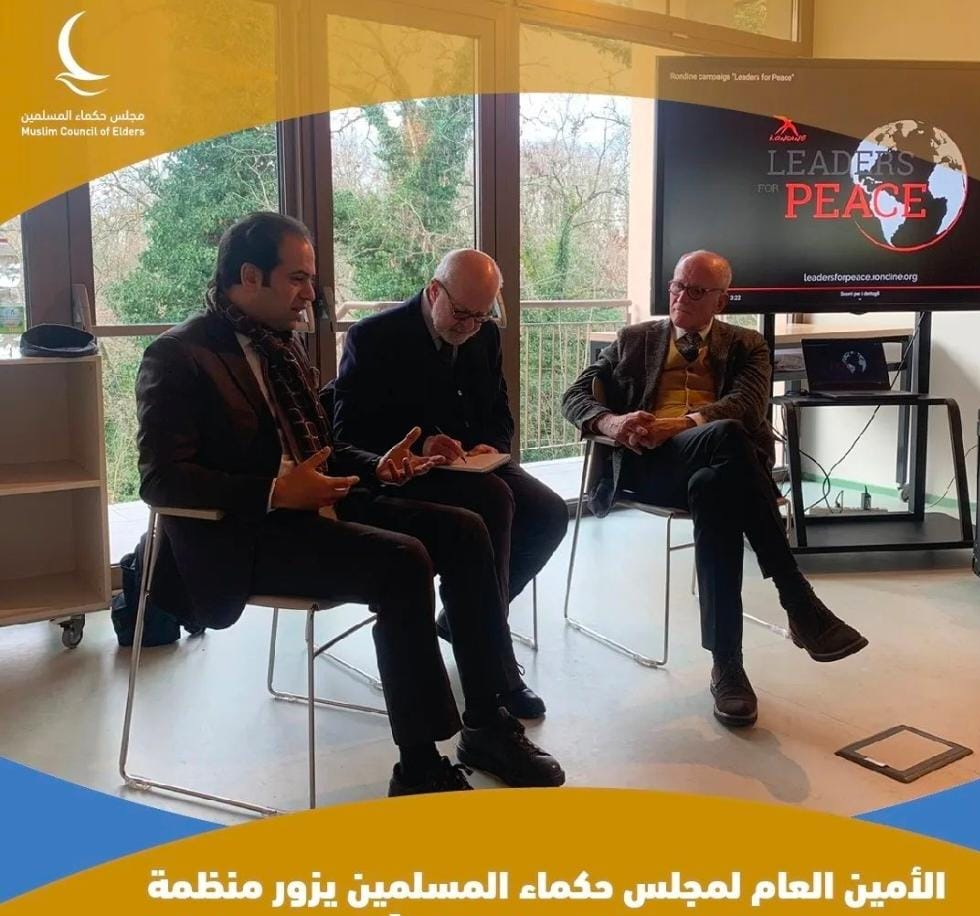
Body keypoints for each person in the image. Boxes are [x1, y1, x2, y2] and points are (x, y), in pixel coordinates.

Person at [136, 212, 564, 796]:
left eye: (310, 279)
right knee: (404, 562)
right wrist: (275, 491)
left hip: (325, 501)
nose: (311, 294)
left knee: (466, 529)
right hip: (250, 532)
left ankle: (488, 722)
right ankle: (418, 767)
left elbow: (324, 447)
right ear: (249, 276)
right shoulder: (179, 354)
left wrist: (378, 464)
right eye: (298, 279)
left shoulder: (281, 346)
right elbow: (161, 481)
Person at [561, 250, 867, 728]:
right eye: (677, 286)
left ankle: (728, 667)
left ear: (721, 301)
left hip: (717, 466)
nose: (681, 297)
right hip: (651, 467)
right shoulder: (634, 339)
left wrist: (683, 423)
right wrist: (612, 422)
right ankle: (798, 602)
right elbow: (574, 396)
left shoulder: (747, 344)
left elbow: (748, 404)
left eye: (696, 291)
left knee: (718, 483)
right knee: (727, 442)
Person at [334, 248, 568, 719]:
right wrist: (420, 445)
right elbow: (347, 434)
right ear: (434, 291)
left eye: (482, 316)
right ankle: (496, 669)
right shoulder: (374, 336)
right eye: (462, 314)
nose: (471, 326)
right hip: (405, 474)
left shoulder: (484, 334)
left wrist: (489, 444)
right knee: (494, 501)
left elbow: (499, 413)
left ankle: (468, 622)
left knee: (549, 512)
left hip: (472, 466)